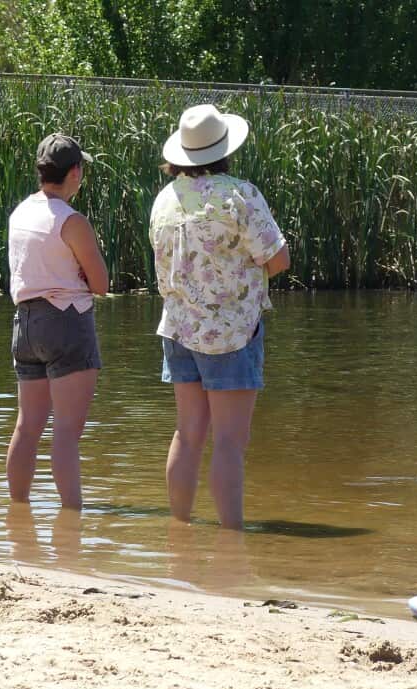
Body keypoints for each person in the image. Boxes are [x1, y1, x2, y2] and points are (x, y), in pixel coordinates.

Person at [150, 104, 290, 531]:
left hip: (177, 328)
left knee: (188, 435)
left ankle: (180, 529)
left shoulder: (164, 199)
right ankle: (232, 536)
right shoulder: (240, 194)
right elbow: (279, 259)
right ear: (224, 149)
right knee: (230, 441)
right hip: (231, 332)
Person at [6, 133, 108, 510]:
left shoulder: (20, 212)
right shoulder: (72, 220)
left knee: (27, 426)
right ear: (76, 172)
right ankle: (72, 522)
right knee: (66, 433)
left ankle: (18, 511)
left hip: (25, 323)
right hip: (66, 324)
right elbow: (100, 284)